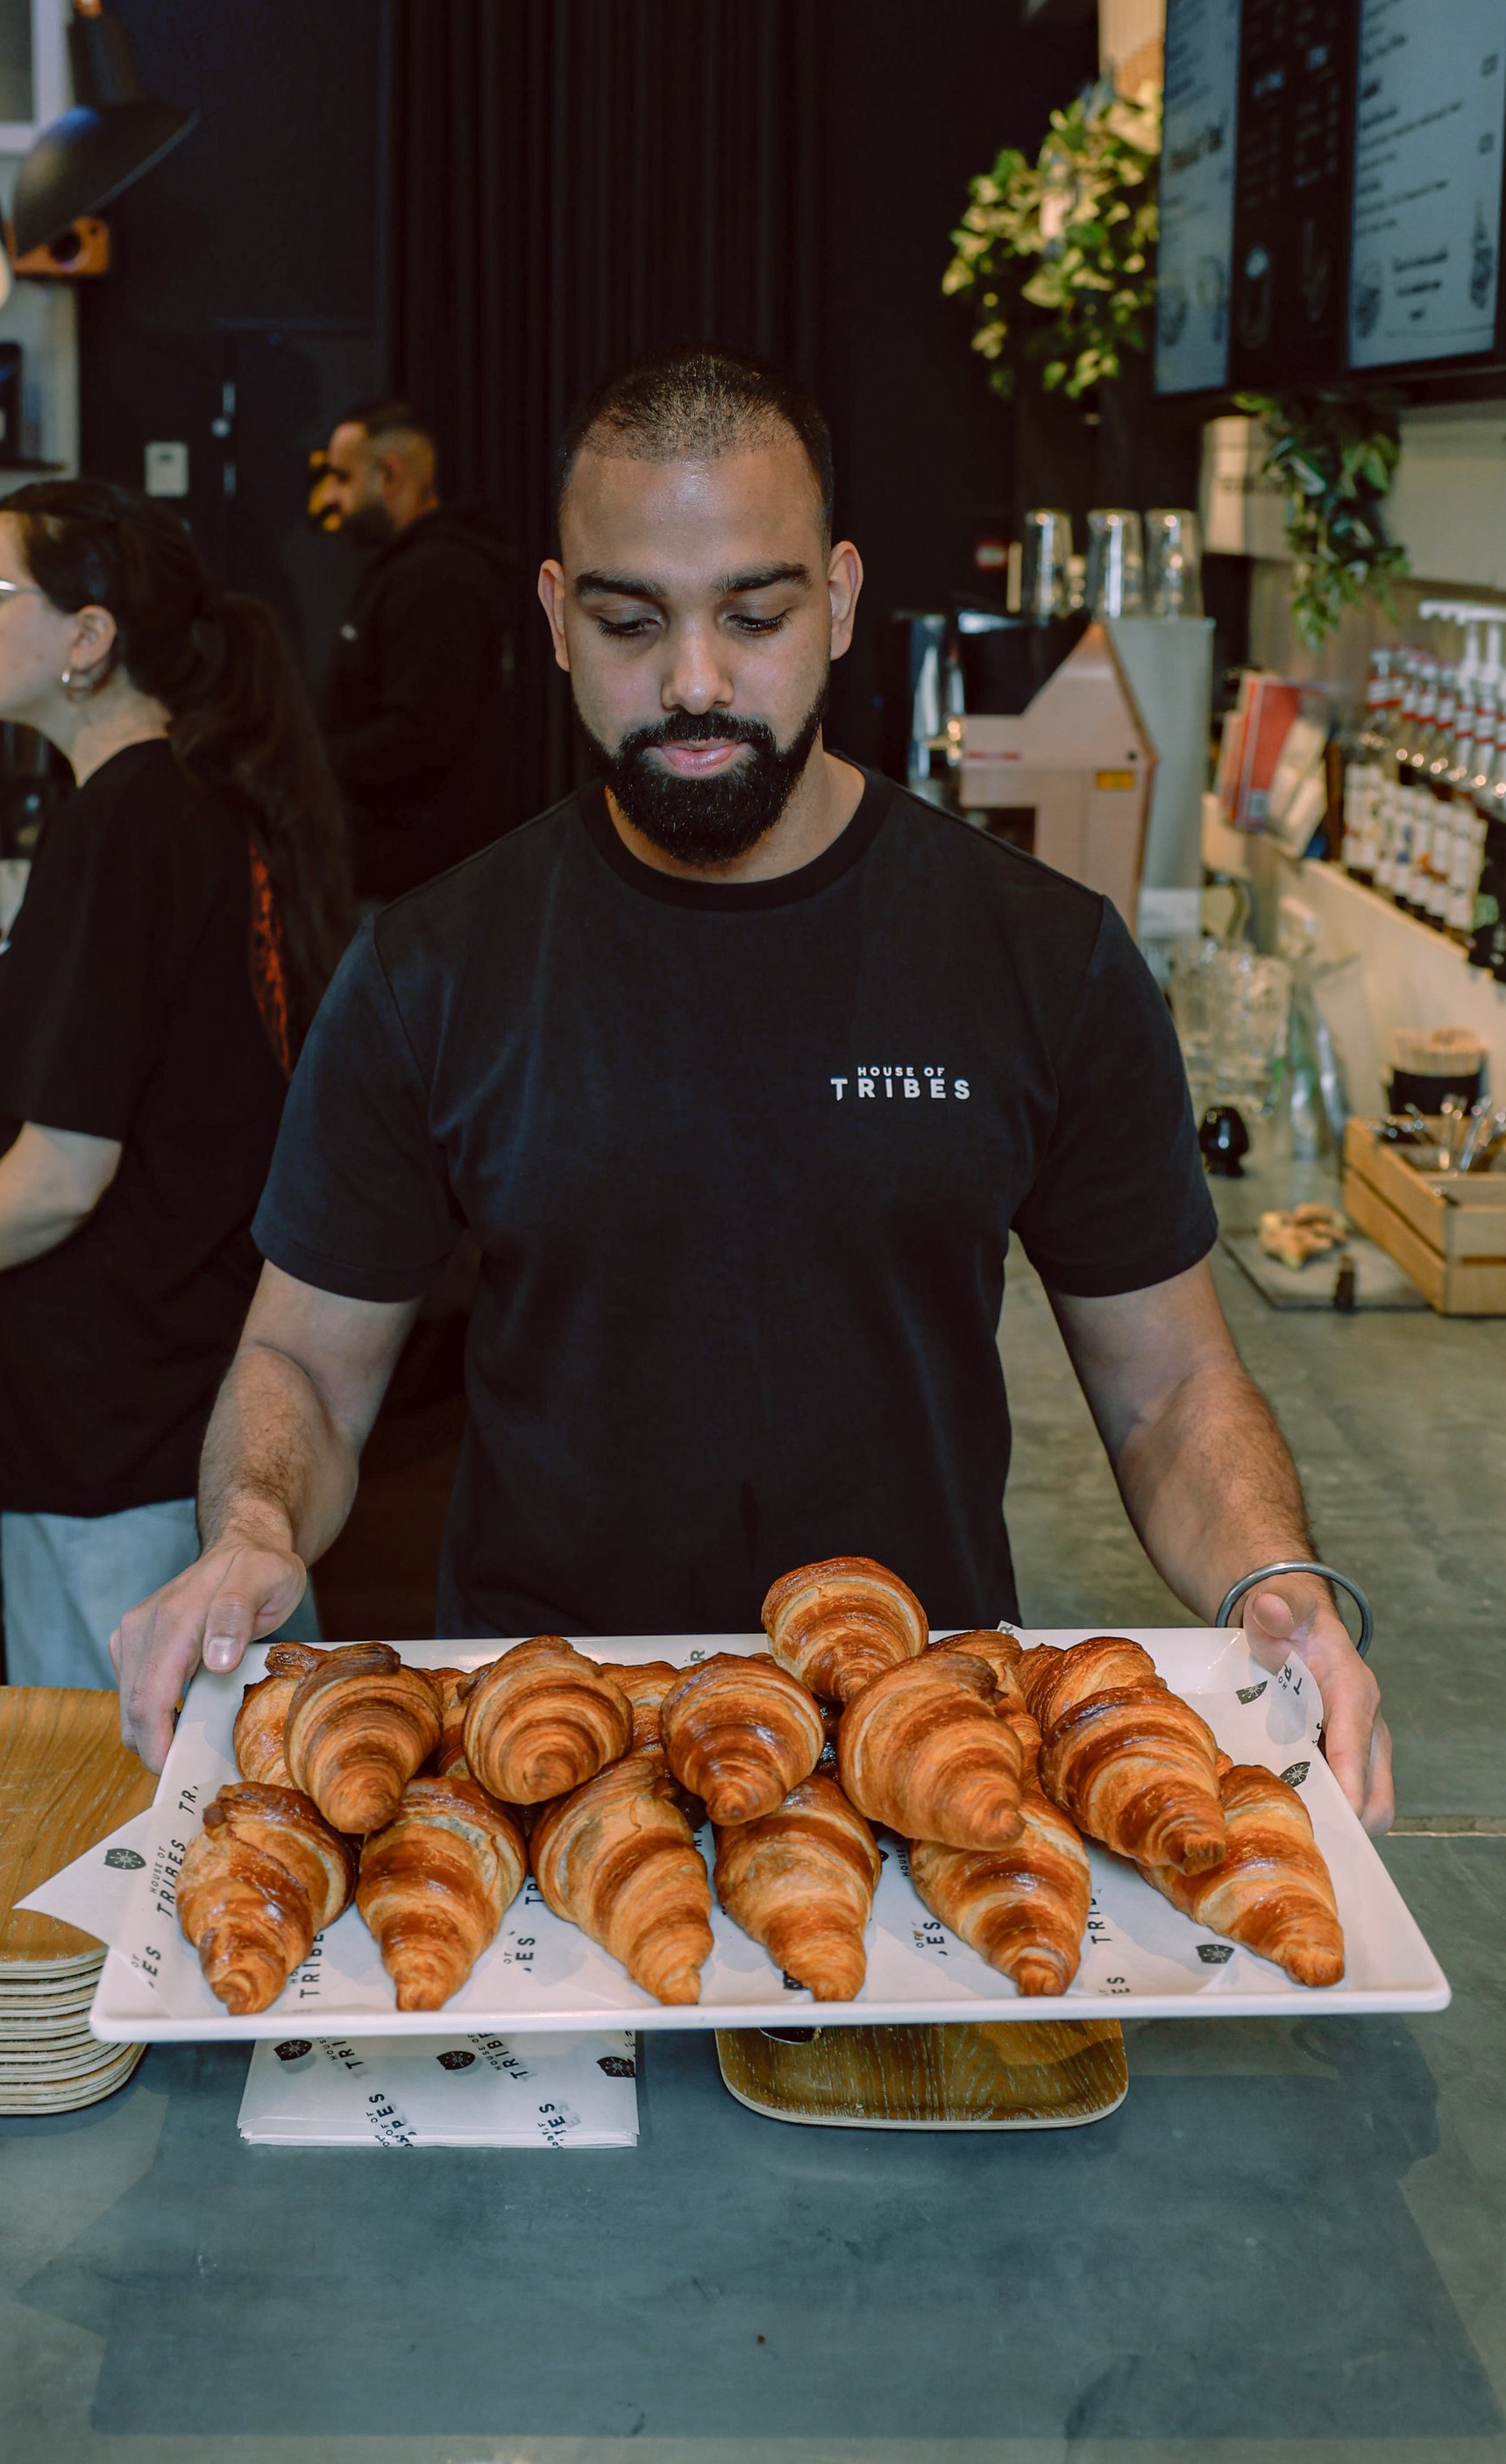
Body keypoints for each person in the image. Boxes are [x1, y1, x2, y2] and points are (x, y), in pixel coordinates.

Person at [111, 346, 1392, 1833]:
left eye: (755, 615)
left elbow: (1168, 1388)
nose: (695, 681)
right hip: (546, 1756)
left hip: (921, 1754)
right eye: (630, 621)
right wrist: (251, 1527)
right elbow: (306, 1366)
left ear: (840, 600)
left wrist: (1274, 1580)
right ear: (555, 619)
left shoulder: (1042, 956)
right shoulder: (431, 969)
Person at [0, 480, 352, 1686]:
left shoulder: (120, 825)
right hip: (182, 1398)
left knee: (128, 1785)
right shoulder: (187, 800)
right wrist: (1, 1151)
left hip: (123, 1437)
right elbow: (176, 1098)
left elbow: (69, 1176)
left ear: (88, 635)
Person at [313, 396, 521, 898]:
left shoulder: (435, 578)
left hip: (416, 884)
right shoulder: (415, 569)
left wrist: (310, 763)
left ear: (389, 474)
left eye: (342, 477)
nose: (329, 498)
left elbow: (418, 735)